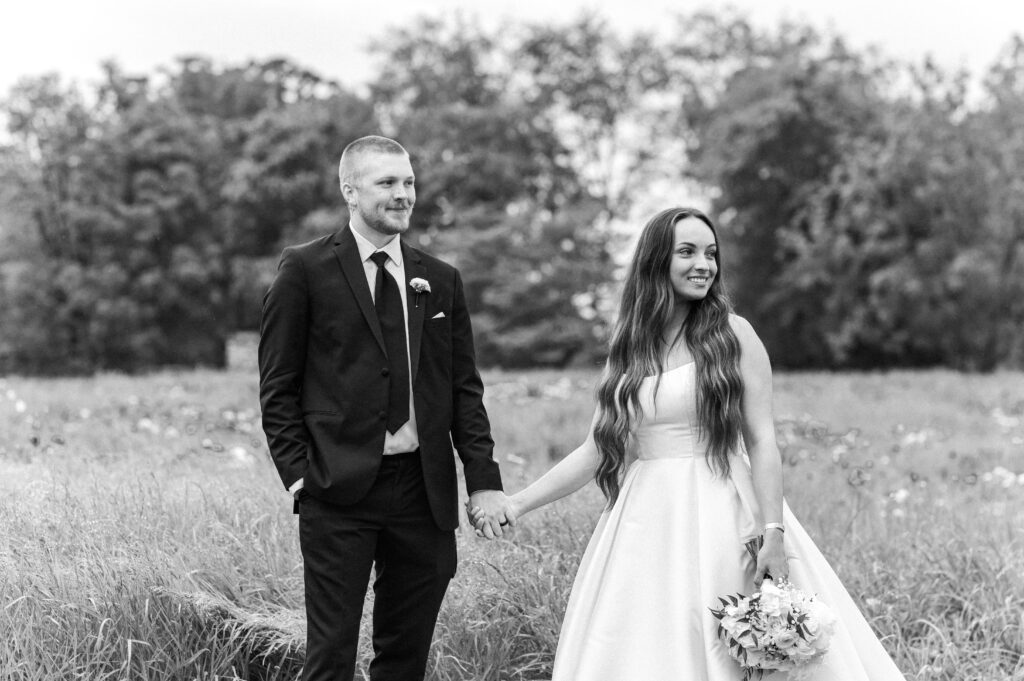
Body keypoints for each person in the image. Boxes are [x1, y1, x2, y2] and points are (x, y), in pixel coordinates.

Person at [472, 207, 906, 680]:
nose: (704, 264)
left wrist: (774, 532)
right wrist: (517, 503)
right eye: (688, 252)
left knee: (732, 646)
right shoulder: (628, 344)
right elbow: (596, 448)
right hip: (645, 522)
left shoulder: (733, 335)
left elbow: (762, 440)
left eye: (711, 253)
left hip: (724, 510)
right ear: (657, 261)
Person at [259, 135, 515, 681]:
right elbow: (277, 384)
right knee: (329, 659)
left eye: (409, 182)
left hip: (424, 494)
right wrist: (299, 478)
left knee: (404, 662)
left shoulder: (440, 279)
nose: (403, 195)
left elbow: (465, 389)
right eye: (387, 183)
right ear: (349, 191)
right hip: (338, 490)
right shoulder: (304, 269)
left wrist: (483, 481)